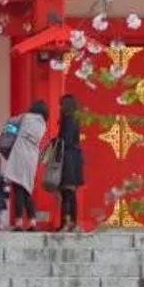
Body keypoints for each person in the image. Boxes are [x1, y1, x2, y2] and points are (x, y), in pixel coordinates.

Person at [0, 101, 48, 232]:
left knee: (18, 189)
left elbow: (11, 121)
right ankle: (32, 222)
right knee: (27, 190)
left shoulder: (26, 117)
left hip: (20, 151)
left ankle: (19, 223)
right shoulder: (43, 125)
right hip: (32, 156)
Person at [49, 99, 86, 232]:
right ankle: (73, 223)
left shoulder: (67, 121)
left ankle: (66, 222)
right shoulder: (75, 120)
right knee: (71, 193)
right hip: (75, 159)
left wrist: (54, 142)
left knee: (66, 193)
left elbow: (65, 141)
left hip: (68, 159)